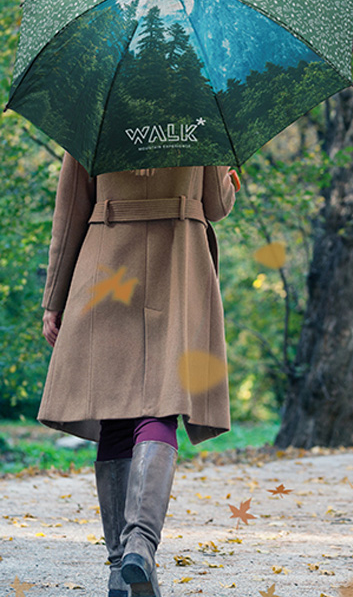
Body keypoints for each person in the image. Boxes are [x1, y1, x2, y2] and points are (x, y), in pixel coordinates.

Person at [39, 155, 241, 597]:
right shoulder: (197, 111)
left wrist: (54, 297)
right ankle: (140, 547)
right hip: (178, 262)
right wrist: (230, 174)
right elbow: (216, 204)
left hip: (108, 261)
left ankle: (118, 568)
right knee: (161, 404)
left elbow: (71, 209)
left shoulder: (97, 106)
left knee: (114, 405)